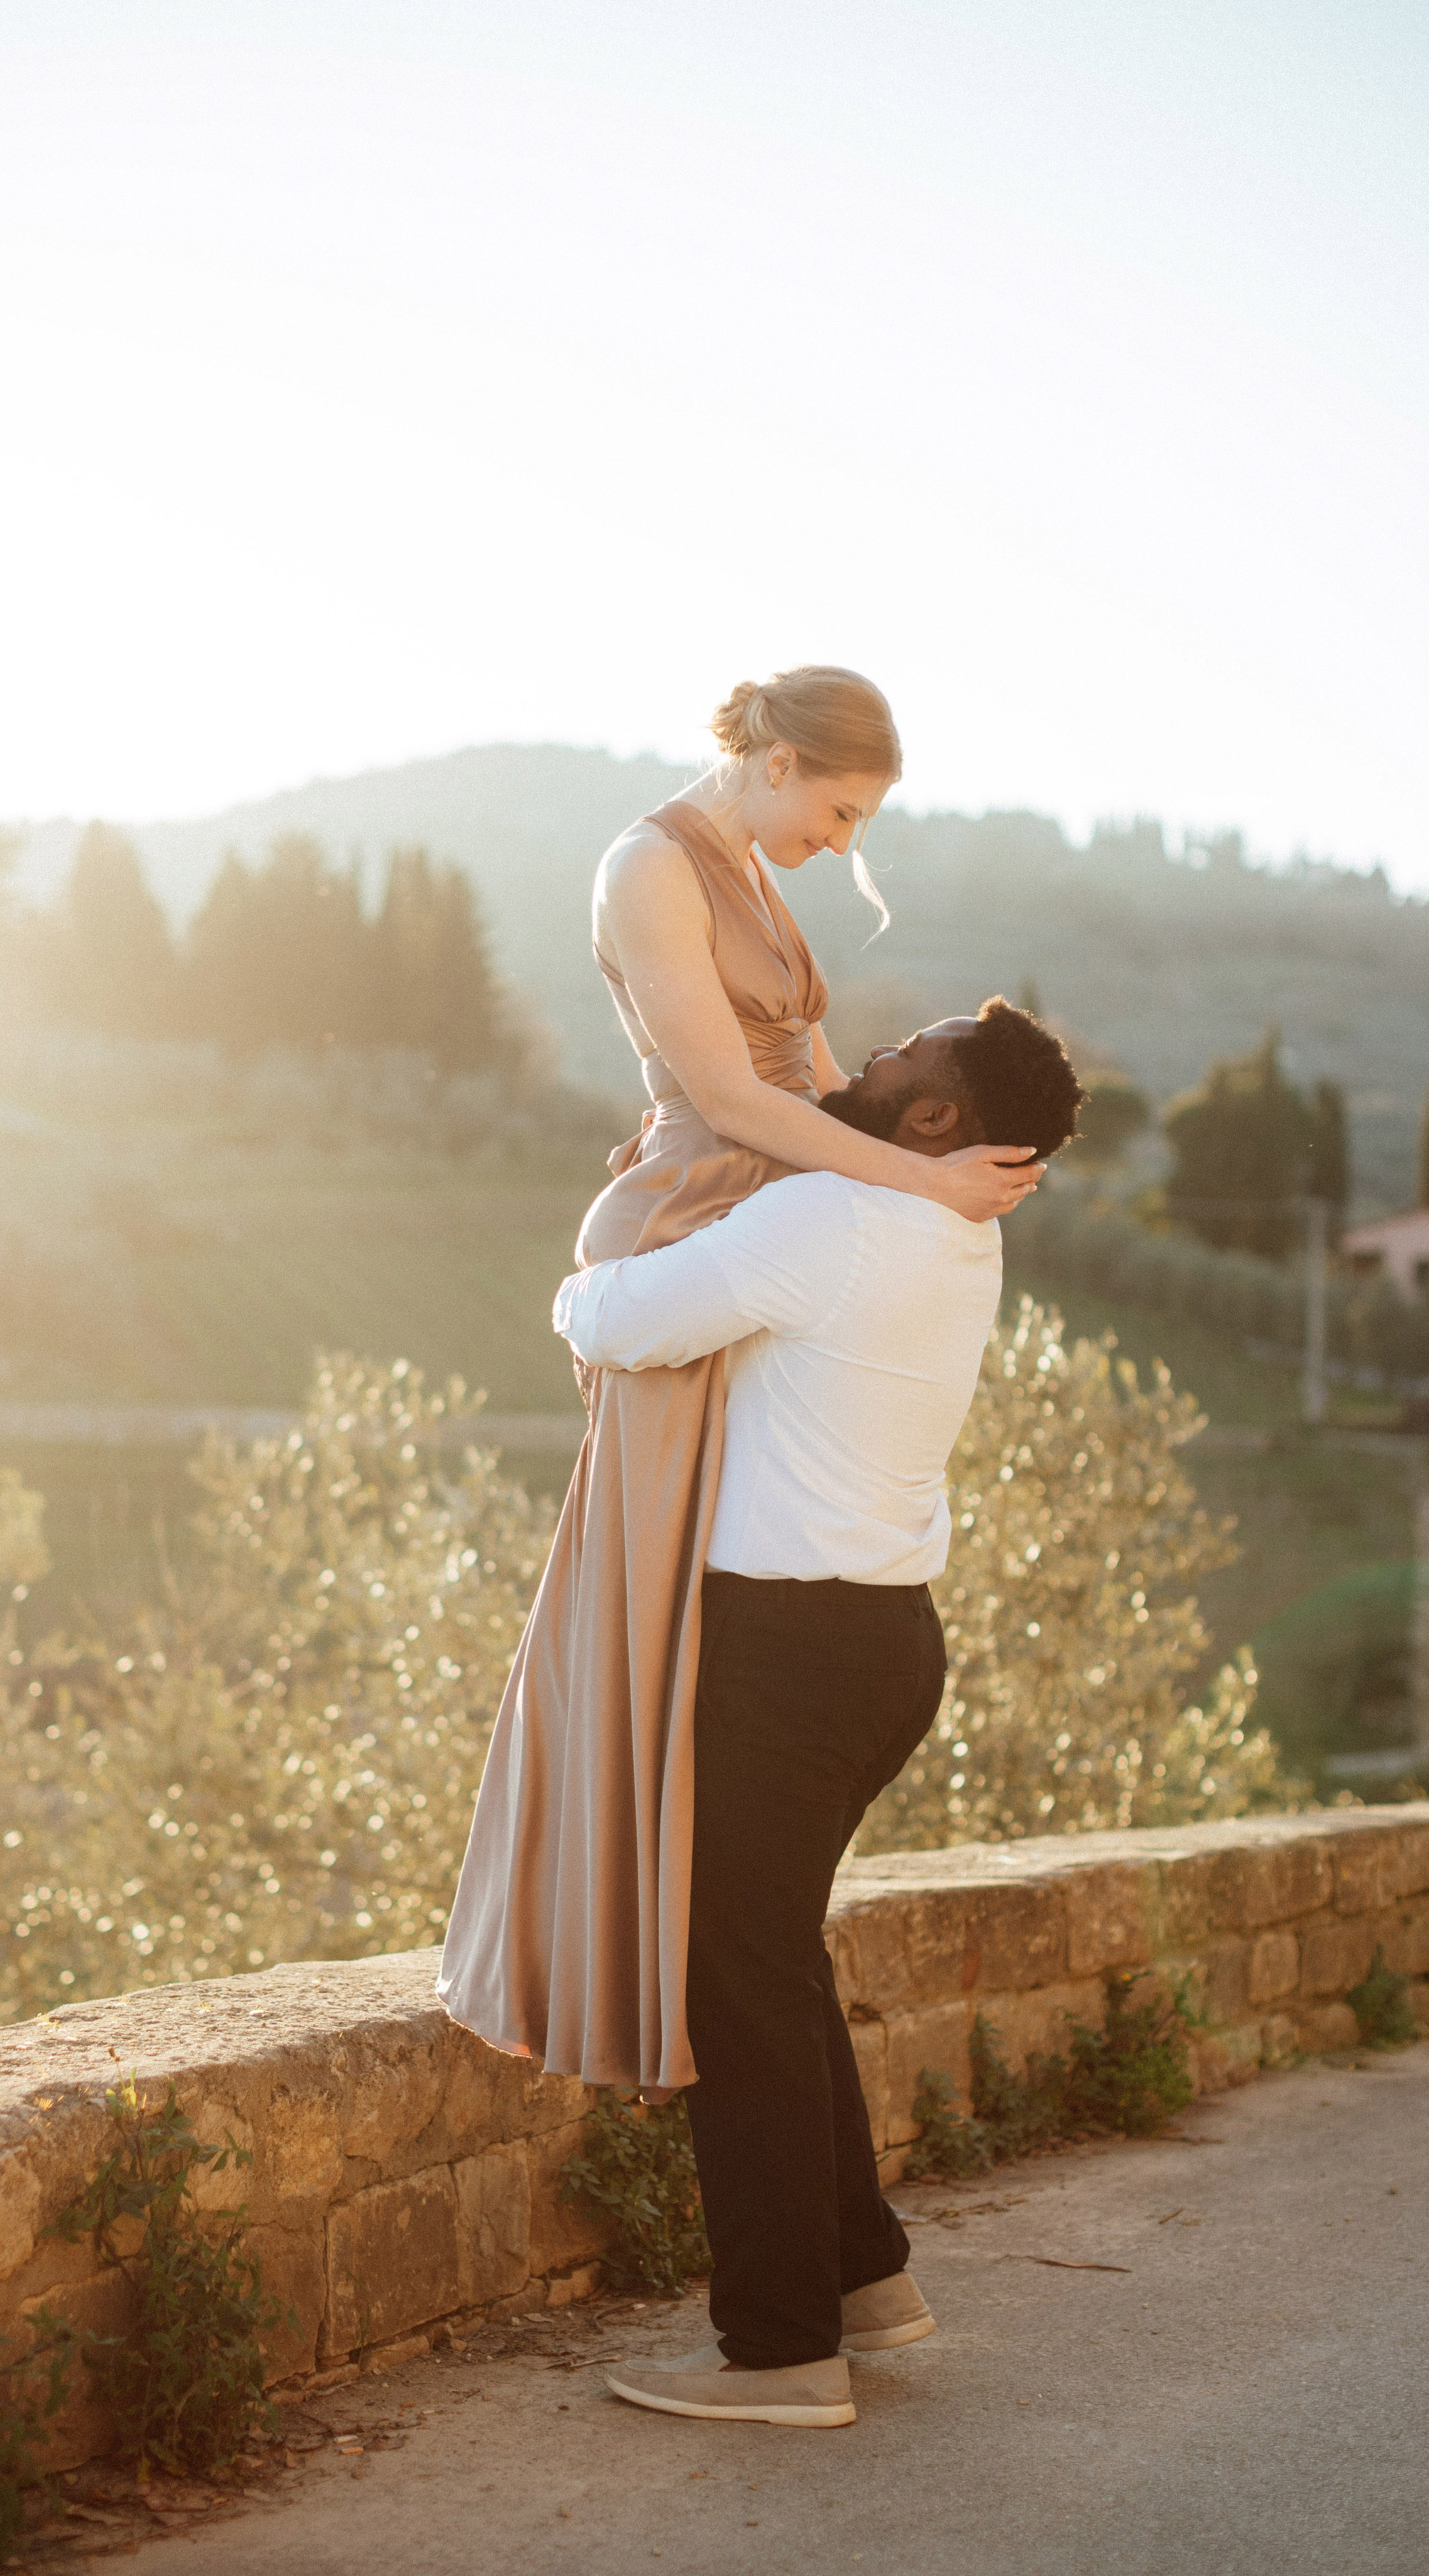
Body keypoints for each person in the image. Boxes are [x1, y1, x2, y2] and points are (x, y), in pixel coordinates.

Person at [438, 669, 1044, 2095]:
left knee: (695, 1581)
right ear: (772, 763)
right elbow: (724, 1099)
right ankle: (598, 1942)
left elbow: (823, 1098)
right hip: (693, 1221)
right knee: (648, 1584)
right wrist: (928, 1185)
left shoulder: (758, 883)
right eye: (836, 810)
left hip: (763, 1222)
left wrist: (914, 1193)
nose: (842, 846)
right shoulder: (649, 863)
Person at [564, 1001, 1084, 2427]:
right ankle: (864, 2284)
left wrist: (604, 1233)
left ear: (932, 1121)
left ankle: (781, 2355)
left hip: (785, 1655)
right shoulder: (944, 1231)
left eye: (897, 1060)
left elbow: (614, 1318)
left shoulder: (835, 1227)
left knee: (733, 1985)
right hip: (881, 1646)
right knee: (771, 1962)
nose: (861, 1065)